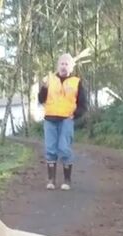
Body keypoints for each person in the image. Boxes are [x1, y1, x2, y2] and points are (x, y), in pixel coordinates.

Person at [38, 53, 88, 191]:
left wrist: (76, 114)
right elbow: (41, 99)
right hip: (50, 119)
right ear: (58, 65)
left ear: (71, 67)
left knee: (64, 149)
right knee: (50, 149)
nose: (64, 66)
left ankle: (67, 180)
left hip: (66, 119)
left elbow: (83, 104)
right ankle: (51, 180)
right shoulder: (49, 80)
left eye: (67, 64)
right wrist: (44, 87)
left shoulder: (76, 82)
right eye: (62, 63)